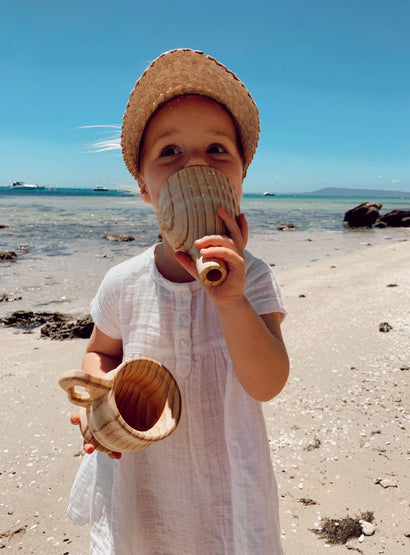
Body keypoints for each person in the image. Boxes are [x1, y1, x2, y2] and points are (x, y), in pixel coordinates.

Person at [67, 48, 289, 554]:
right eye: (169, 153)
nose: (194, 164)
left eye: (216, 150)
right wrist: (97, 392)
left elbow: (268, 381)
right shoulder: (123, 282)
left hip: (226, 483)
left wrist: (231, 302)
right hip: (141, 480)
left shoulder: (252, 279)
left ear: (239, 177)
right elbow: (102, 351)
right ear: (144, 187)